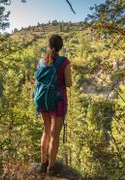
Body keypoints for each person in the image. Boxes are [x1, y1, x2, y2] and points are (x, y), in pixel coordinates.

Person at [36, 34, 72, 175]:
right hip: (58, 102)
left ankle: (42, 164)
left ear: (49, 45)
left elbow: (37, 81)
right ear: (60, 46)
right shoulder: (64, 62)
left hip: (43, 100)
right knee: (54, 135)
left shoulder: (41, 62)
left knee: (46, 131)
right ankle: (51, 168)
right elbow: (68, 83)